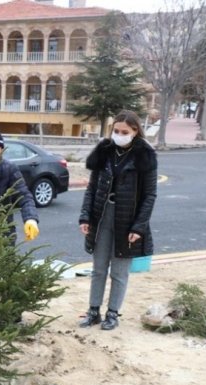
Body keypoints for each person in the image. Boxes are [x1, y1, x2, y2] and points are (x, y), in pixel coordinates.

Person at [78, 110, 157, 330]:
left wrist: (139, 227)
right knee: (99, 268)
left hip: (128, 220)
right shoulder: (104, 151)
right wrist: (85, 216)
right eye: (116, 131)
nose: (119, 135)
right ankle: (93, 311)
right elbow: (92, 188)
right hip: (102, 215)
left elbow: (150, 195)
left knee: (120, 271)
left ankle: (112, 314)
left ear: (135, 131)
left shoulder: (145, 155)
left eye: (125, 132)